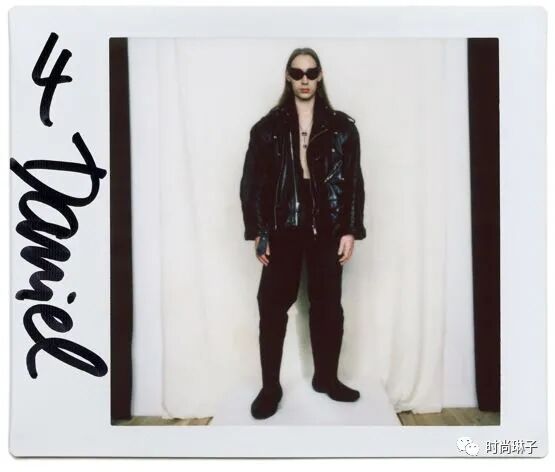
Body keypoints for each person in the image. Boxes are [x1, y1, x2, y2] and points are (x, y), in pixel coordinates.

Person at [239, 47, 366, 420]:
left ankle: (327, 378)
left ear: (320, 75)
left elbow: (353, 182)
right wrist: (258, 231)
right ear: (288, 76)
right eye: (297, 73)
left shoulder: (342, 128)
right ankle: (270, 387)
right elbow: (252, 183)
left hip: (328, 225)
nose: (304, 80)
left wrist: (350, 229)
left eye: (311, 73)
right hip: (284, 225)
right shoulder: (268, 128)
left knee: (328, 306)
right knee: (272, 306)